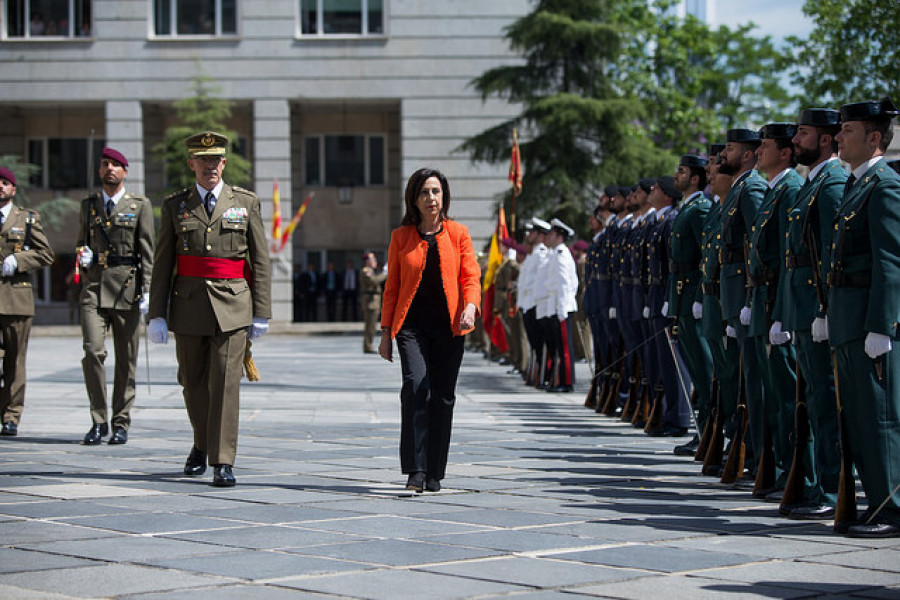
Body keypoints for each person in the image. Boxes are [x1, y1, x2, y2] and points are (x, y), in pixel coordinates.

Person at [147, 131, 271, 487]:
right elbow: (163, 261)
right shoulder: (175, 205)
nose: (209, 166)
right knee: (192, 382)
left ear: (224, 163)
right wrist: (157, 313)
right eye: (202, 160)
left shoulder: (245, 202)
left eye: (215, 159)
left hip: (233, 304)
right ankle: (201, 442)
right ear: (192, 164)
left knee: (226, 382)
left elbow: (260, 260)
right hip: (187, 306)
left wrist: (262, 311)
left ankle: (222, 459)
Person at [378, 168, 481, 493]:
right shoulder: (401, 237)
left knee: (443, 397)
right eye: (424, 192)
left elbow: (471, 277)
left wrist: (470, 307)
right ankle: (415, 470)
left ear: (444, 196)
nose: (431, 198)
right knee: (415, 387)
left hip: (450, 327)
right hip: (411, 327)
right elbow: (392, 287)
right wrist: (384, 333)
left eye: (436, 191)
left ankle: (435, 470)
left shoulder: (458, 233)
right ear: (415, 198)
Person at [827, 98, 900, 537]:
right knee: (858, 416)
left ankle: (892, 508)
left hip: (868, 323)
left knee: (880, 417)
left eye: (848, 129)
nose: (838, 137)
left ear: (873, 138)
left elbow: (890, 261)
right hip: (847, 320)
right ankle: (877, 502)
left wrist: (882, 324)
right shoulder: (857, 184)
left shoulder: (885, 185)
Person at [777, 107, 845, 520]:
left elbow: (829, 254)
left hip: (818, 311)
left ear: (825, 139)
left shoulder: (833, 183)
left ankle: (833, 490)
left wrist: (823, 309)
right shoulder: (812, 182)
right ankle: (820, 486)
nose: (795, 141)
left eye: (802, 133)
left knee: (826, 404)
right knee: (814, 402)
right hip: (802, 310)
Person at [77, 148, 155, 445]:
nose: (109, 169)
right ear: (99, 171)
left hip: (127, 289)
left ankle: (121, 421)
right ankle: (98, 420)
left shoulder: (140, 205)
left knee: (127, 359)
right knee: (93, 352)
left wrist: (147, 291)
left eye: (115, 165)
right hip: (94, 288)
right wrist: (82, 255)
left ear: (125, 171)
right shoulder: (89, 205)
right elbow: (80, 243)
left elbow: (147, 251)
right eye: (105, 164)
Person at [0, 167, 54, 436]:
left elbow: (46, 254)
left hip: (16, 300)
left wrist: (18, 260)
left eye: (5, 183)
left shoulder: (27, 219)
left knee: (15, 361)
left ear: (14, 189)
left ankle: (11, 416)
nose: (0, 186)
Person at [669, 155, 713, 454]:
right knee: (697, 371)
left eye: (682, 171)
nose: (676, 176)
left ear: (696, 178)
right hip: (682, 295)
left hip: (693, 293)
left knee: (705, 371)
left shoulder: (700, 210)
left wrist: (699, 297)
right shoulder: (687, 208)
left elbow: (705, 258)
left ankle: (711, 432)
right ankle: (704, 432)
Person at [360, 251, 386, 353]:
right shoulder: (366, 271)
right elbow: (374, 281)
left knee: (372, 325)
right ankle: (368, 345)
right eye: (373, 259)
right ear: (368, 261)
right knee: (370, 326)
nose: (375, 261)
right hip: (370, 302)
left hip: (374, 301)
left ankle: (368, 345)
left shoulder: (371, 271)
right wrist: (384, 274)